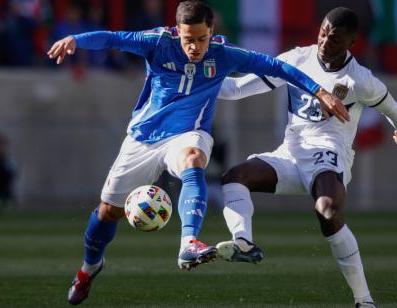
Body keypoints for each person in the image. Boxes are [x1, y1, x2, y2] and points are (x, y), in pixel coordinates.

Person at [47, 1, 348, 305]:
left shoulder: (223, 54)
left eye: (202, 38)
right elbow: (112, 38)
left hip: (190, 133)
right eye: (188, 39)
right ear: (177, 32)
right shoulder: (157, 42)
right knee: (108, 212)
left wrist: (319, 91)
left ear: (211, 31)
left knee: (193, 158)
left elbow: (277, 67)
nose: (195, 46)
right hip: (144, 138)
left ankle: (188, 242)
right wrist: (76, 40)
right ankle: (89, 269)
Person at [214, 7, 397, 308]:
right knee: (234, 177)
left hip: (329, 156)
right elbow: (234, 89)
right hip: (290, 154)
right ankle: (243, 241)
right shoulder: (297, 58)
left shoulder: (360, 79)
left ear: (352, 42)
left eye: (335, 39)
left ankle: (364, 301)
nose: (325, 42)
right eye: (323, 32)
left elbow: (393, 109)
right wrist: (196, 79)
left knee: (327, 212)